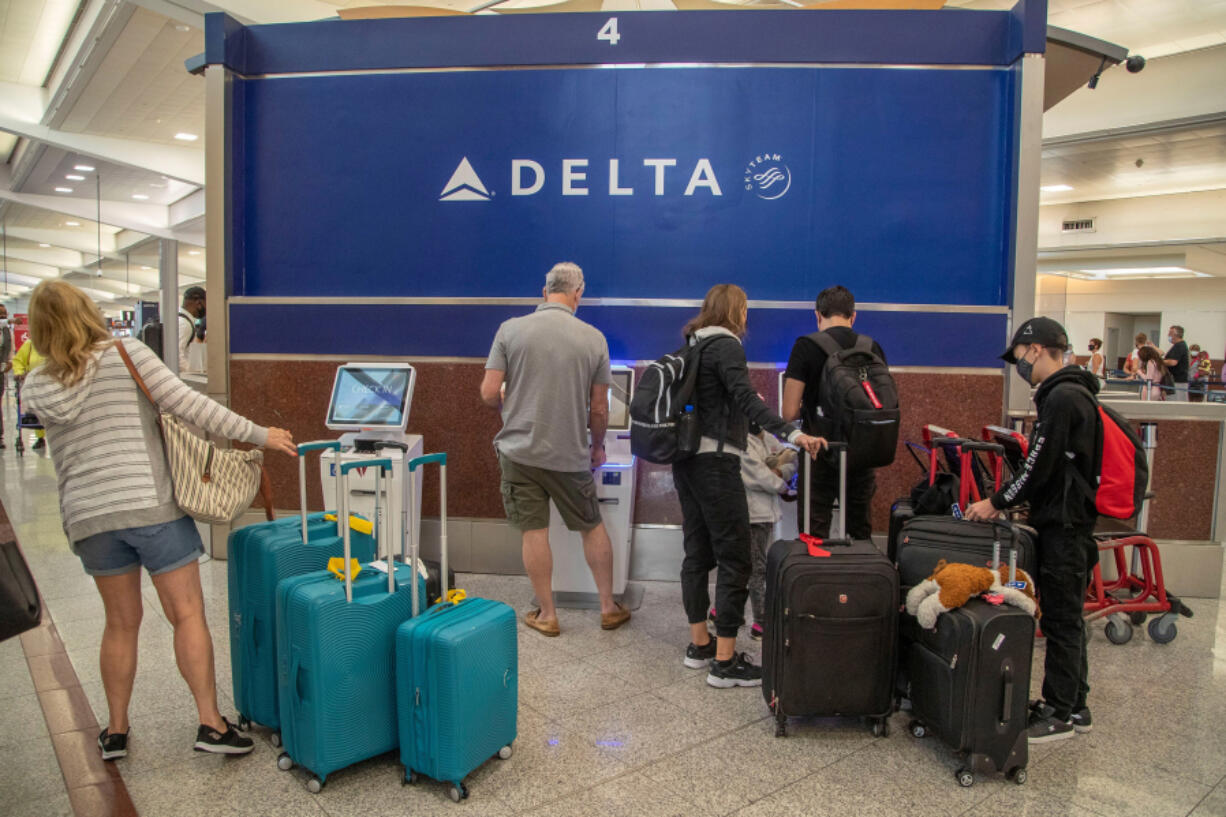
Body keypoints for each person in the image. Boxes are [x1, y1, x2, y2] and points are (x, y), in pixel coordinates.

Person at [21, 280, 297, 761]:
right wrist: (260, 434)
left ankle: (116, 730)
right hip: (149, 506)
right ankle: (211, 725)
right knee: (187, 614)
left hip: (89, 518)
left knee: (120, 624)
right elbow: (191, 405)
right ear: (87, 312)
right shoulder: (124, 354)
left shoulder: (38, 385)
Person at [673, 284, 824, 688]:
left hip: (685, 461)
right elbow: (747, 401)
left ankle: (700, 645)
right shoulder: (727, 347)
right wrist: (792, 435)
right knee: (737, 558)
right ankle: (724, 663)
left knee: (696, 552)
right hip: (718, 463)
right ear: (737, 313)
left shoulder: (692, 346)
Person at [965, 316, 1098, 744]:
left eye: (1020, 355)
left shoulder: (1060, 399)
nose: (1018, 364)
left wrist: (995, 502)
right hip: (1068, 520)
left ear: (1037, 349)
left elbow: (1039, 467)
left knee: (1060, 619)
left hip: (1065, 524)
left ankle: (1060, 712)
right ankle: (1074, 703)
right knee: (1067, 618)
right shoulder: (1075, 393)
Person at [480, 262, 631, 638]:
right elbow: (599, 408)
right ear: (577, 293)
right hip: (569, 455)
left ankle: (547, 614)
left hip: (519, 452)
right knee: (591, 526)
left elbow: (487, 393)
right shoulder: (593, 337)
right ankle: (609, 608)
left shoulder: (510, 330)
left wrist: (506, 397)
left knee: (534, 532)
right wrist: (597, 448)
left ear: (544, 291)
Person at [781, 285, 887, 539]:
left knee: (814, 533)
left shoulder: (805, 346)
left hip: (817, 449)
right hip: (861, 452)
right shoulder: (872, 348)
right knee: (859, 531)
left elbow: (788, 412)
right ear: (853, 315)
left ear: (818, 315)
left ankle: (816, 577)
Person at [738, 421, 797, 641]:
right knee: (756, 568)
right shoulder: (740, 440)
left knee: (751, 566)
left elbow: (791, 457)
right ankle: (761, 622)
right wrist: (782, 483)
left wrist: (778, 470)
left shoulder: (767, 437)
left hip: (768, 513)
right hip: (751, 514)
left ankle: (725, 610)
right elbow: (756, 476)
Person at [12, 336, 47, 450]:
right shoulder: (30, 344)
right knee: (37, 411)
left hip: (52, 383)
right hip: (33, 385)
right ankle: (40, 438)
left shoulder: (57, 342)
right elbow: (18, 360)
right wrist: (19, 372)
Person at [179, 286, 206, 373]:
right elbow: (177, 356)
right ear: (199, 303)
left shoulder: (178, 318)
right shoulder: (184, 324)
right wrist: (193, 372)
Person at [1163, 325, 1190, 402]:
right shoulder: (1177, 346)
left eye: (1170, 333)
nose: (1168, 335)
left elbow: (1173, 362)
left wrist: (1159, 361)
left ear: (1175, 335)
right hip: (1174, 381)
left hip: (1177, 381)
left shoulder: (1179, 346)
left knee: (1176, 404)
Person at [0, 305, 10, 449]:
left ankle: (0, 437)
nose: (3, 315)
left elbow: (10, 350)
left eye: (4, 313)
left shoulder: (7, 330)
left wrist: (10, 362)